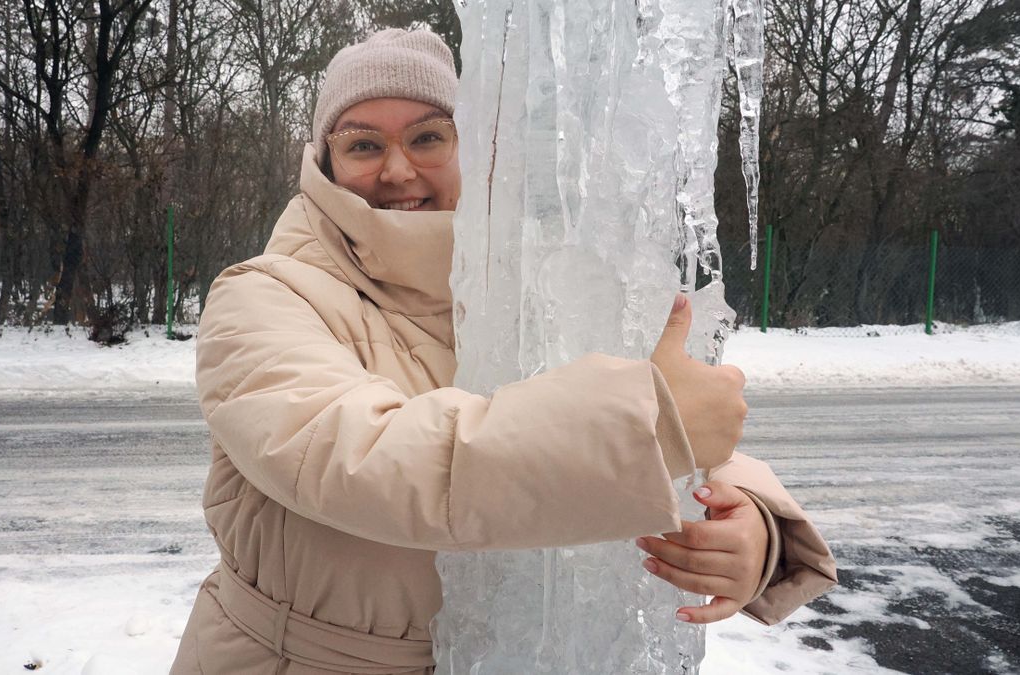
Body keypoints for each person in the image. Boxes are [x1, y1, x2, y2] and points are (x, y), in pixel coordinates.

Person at [171, 29, 836, 675]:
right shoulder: (261, 297)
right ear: (324, 162)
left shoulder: (525, 280)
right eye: (363, 143)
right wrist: (646, 427)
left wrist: (750, 527)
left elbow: (677, 423)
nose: (398, 168)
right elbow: (357, 458)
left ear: (474, 146)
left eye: (429, 136)